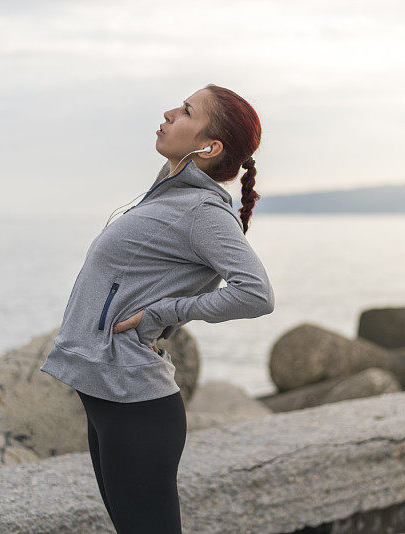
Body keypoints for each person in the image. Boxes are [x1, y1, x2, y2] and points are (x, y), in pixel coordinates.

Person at [40, 83, 275, 533]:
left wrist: (162, 314)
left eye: (187, 111)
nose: (169, 113)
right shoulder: (170, 197)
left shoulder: (202, 210)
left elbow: (256, 292)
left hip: (137, 407)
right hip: (111, 396)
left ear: (209, 146)